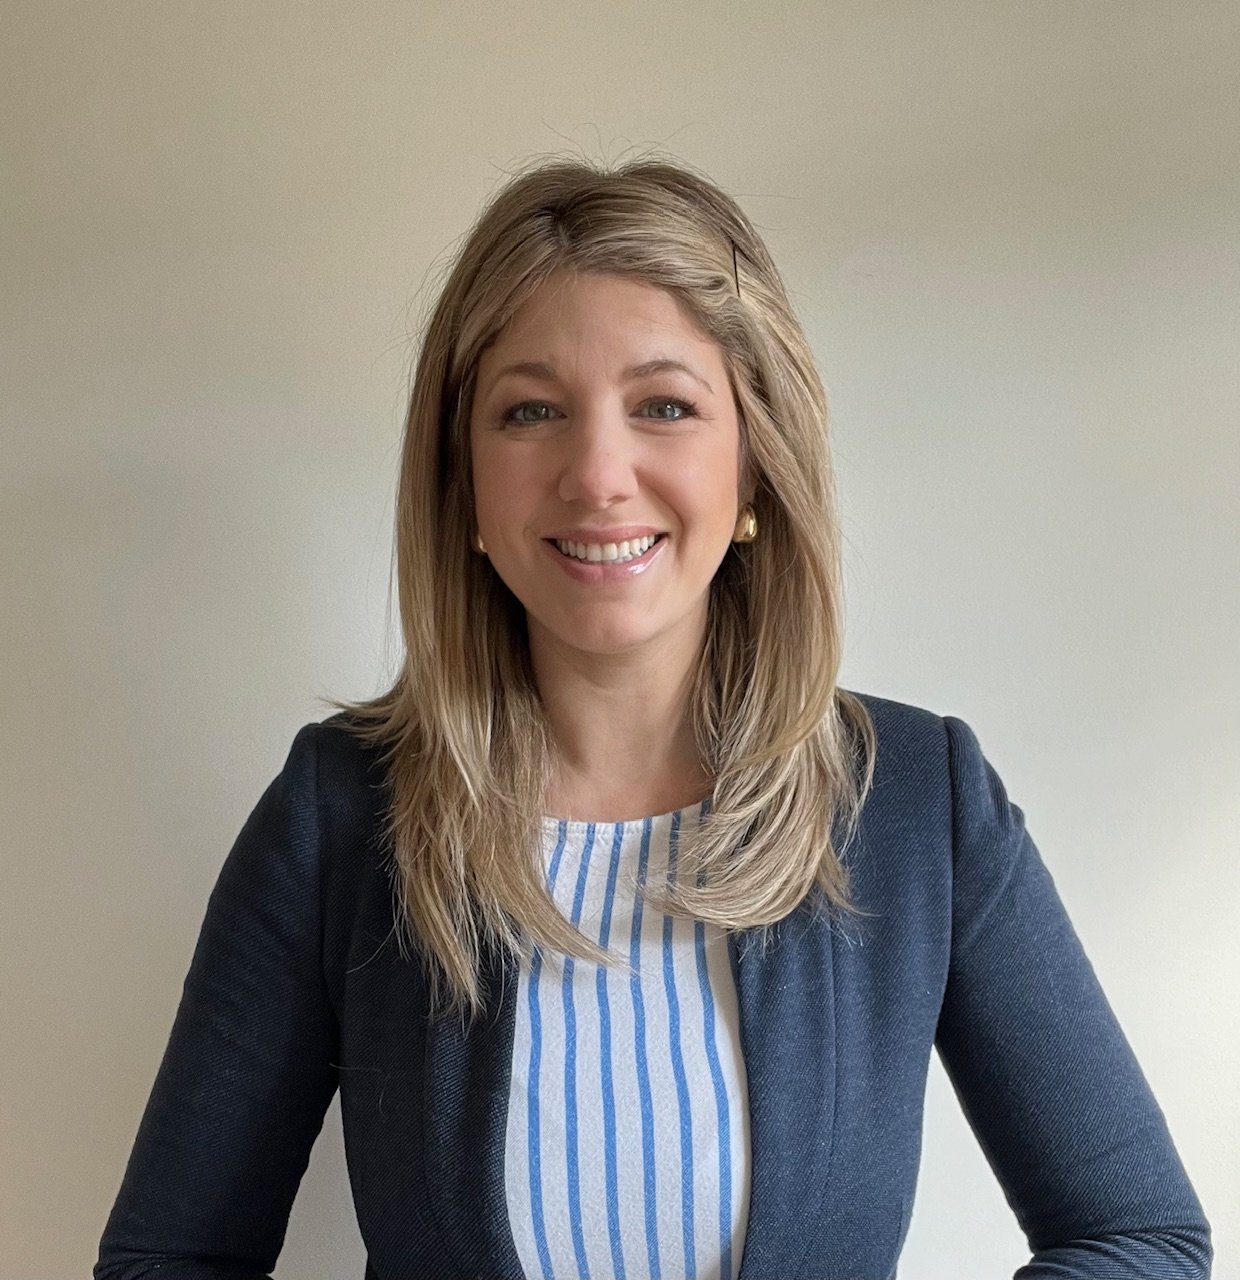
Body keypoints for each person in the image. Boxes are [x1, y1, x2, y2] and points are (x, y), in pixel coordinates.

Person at [95, 157, 1212, 1280]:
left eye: (664, 406)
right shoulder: (340, 814)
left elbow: (1140, 1239)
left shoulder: (921, 802)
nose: (597, 474)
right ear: (462, 481)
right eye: (530, 410)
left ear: (755, 468)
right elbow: (165, 1256)